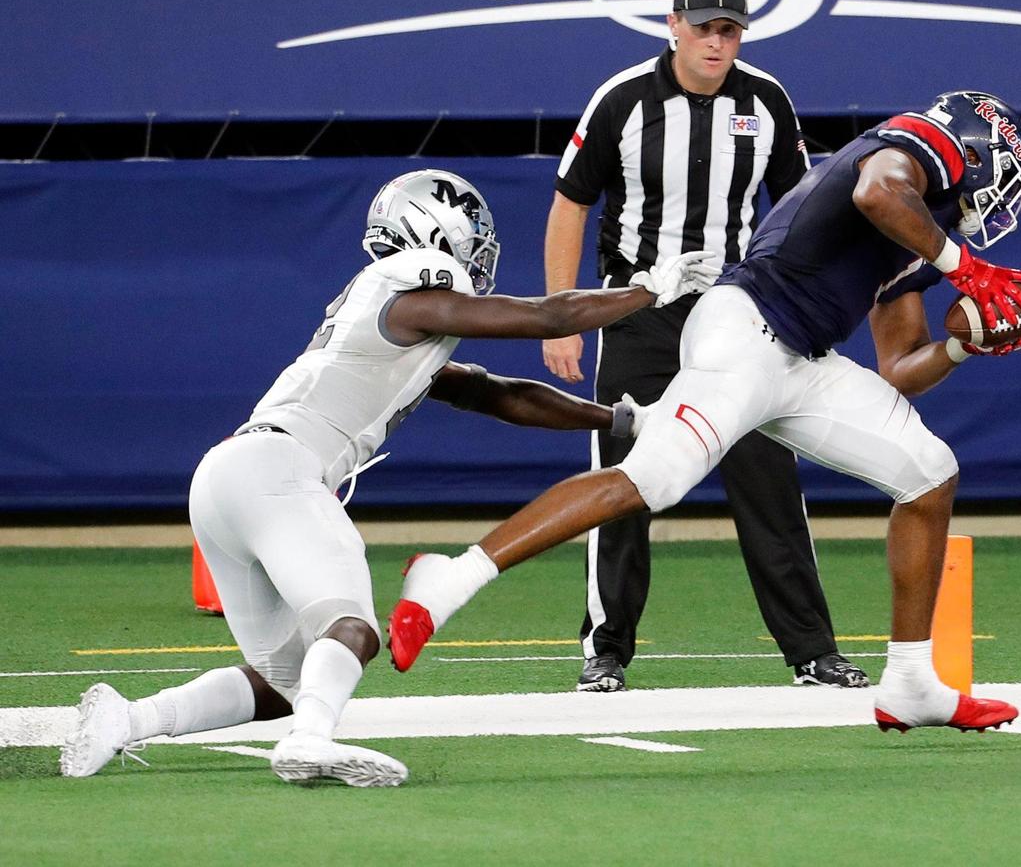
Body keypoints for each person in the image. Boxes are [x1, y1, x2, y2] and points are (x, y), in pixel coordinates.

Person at [389, 91, 1021, 733]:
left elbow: (899, 368)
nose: (1005, 199)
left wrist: (962, 345)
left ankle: (910, 682)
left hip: (802, 361)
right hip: (747, 327)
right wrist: (968, 270)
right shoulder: (914, 146)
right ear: (975, 152)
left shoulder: (928, 232)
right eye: (1007, 178)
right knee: (651, 480)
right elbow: (877, 192)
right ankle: (448, 580)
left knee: (929, 472)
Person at [58, 168, 717, 786]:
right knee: (352, 629)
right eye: (471, 237)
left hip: (228, 478)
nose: (480, 254)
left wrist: (621, 419)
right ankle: (310, 742)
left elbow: (501, 395)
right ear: (435, 234)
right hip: (279, 471)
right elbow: (548, 318)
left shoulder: (393, 319)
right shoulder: (411, 290)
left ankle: (129, 719)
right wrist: (648, 291)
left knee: (287, 678)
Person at [541, 0, 866, 692]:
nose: (717, 42)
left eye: (730, 30)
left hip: (737, 314)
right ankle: (606, 648)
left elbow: (803, 213)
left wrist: (804, 309)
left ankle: (812, 650)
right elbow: (570, 204)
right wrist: (560, 315)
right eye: (704, 28)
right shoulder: (622, 100)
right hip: (638, 311)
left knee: (768, 476)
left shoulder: (767, 101)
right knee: (623, 478)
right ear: (673, 26)